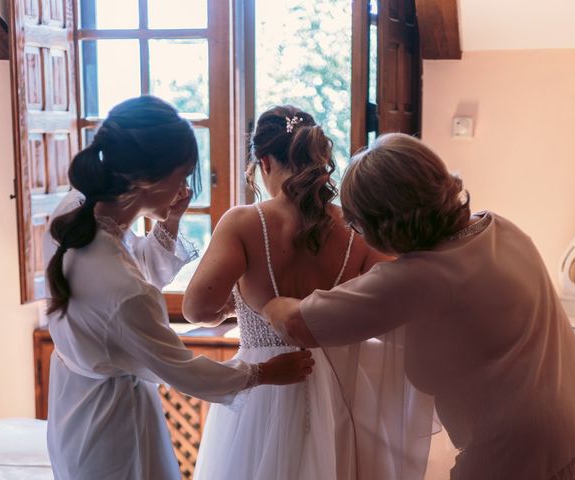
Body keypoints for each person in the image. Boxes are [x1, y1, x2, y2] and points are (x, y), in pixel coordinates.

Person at [263, 132, 575, 480]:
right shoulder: (498, 226)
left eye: (356, 224)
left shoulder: (421, 277)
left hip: (529, 454)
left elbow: (297, 323)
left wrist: (267, 300)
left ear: (383, 220)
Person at [43, 96, 313, 480]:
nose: (186, 186)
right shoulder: (122, 285)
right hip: (112, 426)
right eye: (183, 174)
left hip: (71, 404)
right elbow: (183, 371)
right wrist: (264, 373)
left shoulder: (74, 212)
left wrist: (170, 220)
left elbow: (134, 278)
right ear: (146, 180)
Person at [183, 106, 432, 479]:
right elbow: (396, 298)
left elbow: (197, 310)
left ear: (264, 162)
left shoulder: (244, 222)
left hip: (263, 392)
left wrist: (242, 304)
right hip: (341, 392)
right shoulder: (353, 226)